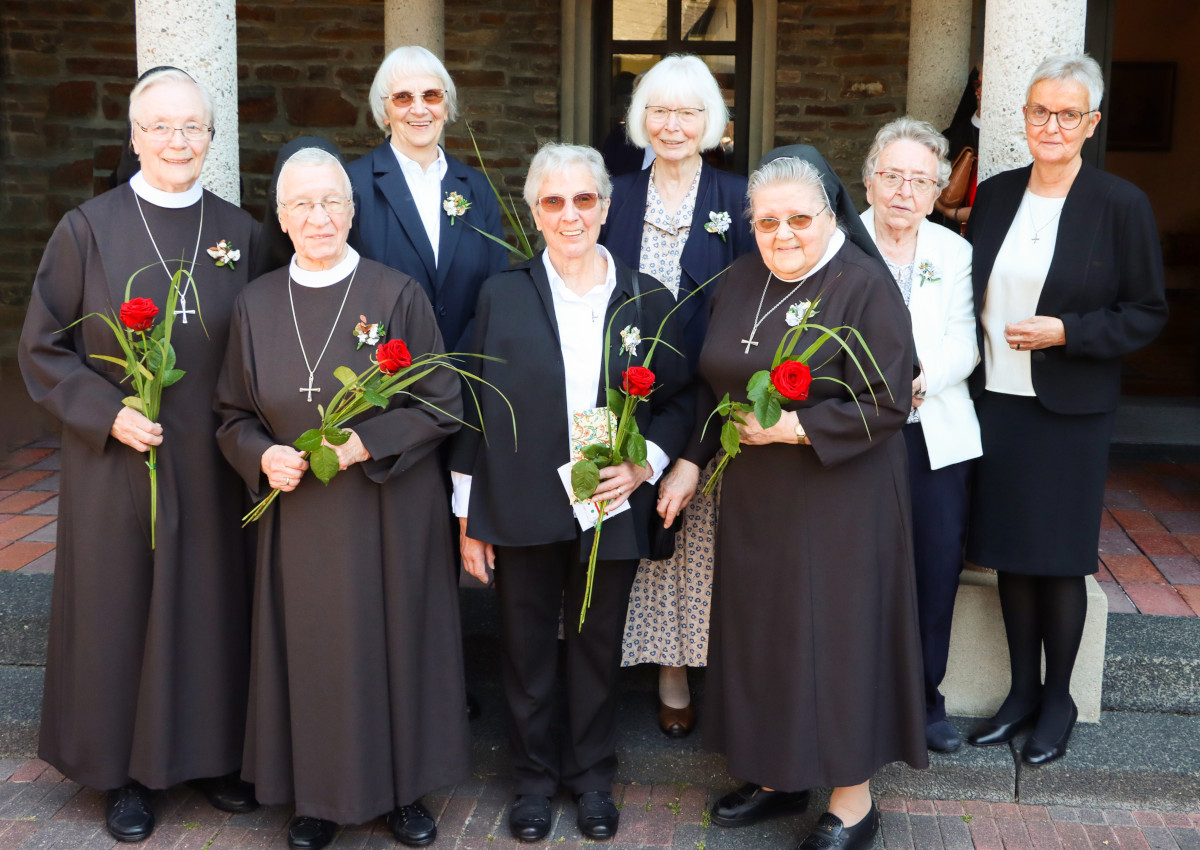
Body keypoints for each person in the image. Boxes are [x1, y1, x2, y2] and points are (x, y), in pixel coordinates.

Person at [660, 147, 927, 850]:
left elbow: (889, 399)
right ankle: (778, 775)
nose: (783, 235)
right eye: (767, 221)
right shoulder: (742, 277)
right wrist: (691, 461)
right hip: (757, 501)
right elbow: (718, 385)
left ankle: (852, 801)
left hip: (843, 500)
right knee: (766, 638)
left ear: (830, 214)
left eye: (800, 220)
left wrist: (798, 427)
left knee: (835, 643)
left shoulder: (863, 285)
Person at [18, 67, 259, 842]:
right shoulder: (86, 229)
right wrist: (106, 413)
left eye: (191, 126)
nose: (177, 141)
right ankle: (122, 773)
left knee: (213, 604)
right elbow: (42, 347)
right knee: (123, 611)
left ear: (211, 138)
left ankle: (215, 755)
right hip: (118, 459)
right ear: (133, 136)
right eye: (159, 126)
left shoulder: (243, 232)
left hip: (214, 461)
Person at [214, 148, 470, 850]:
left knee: (394, 642)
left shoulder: (396, 295)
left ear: (353, 211)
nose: (318, 216)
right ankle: (315, 797)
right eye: (302, 204)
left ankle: (404, 792)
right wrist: (261, 455)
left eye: (331, 202)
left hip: (388, 509)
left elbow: (442, 402)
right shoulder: (255, 303)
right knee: (315, 649)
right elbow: (231, 415)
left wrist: (367, 443)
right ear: (282, 217)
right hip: (299, 517)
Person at [450, 143, 694, 843]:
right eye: (553, 201)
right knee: (524, 647)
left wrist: (645, 462)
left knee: (595, 646)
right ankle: (531, 781)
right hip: (522, 496)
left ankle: (589, 777)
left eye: (584, 199)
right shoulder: (502, 293)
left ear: (607, 208)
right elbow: (473, 405)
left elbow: (680, 399)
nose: (570, 213)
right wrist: (469, 514)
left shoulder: (647, 297)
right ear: (534, 211)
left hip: (607, 495)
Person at [963, 54, 1168, 765]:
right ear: (1022, 117)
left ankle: (1059, 700)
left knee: (1059, 561)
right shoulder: (993, 196)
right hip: (998, 401)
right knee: (1012, 559)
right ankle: (1020, 692)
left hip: (1070, 410)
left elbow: (1146, 312)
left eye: (1067, 113)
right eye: (1039, 111)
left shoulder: (1120, 204)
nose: (1051, 125)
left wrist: (1069, 331)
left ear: (1091, 123)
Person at [601, 54, 755, 738]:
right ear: (641, 120)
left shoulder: (739, 199)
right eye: (659, 110)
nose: (673, 125)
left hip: (708, 403)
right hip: (624, 398)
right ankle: (605, 656)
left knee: (692, 540)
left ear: (712, 123)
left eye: (688, 111)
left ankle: (678, 669)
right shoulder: (613, 195)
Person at [861, 117, 981, 754]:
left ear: (937, 191)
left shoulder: (952, 250)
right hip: (854, 438)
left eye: (920, 180)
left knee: (934, 570)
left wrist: (924, 379)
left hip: (933, 434)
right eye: (893, 176)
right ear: (871, 178)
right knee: (858, 571)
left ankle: (926, 700)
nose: (905, 191)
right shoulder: (839, 243)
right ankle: (862, 695)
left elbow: (967, 339)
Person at [347, 44, 508, 352]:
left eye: (431, 96)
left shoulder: (476, 187)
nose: (419, 109)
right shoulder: (352, 186)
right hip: (383, 379)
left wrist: (460, 365)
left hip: (466, 374)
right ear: (385, 112)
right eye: (403, 97)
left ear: (446, 108)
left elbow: (495, 289)